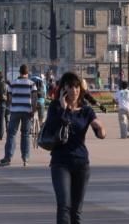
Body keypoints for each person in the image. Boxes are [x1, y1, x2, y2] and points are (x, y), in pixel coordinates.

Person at [45, 71, 106, 224]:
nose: (74, 90)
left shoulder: (86, 110)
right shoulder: (55, 108)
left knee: (76, 212)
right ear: (63, 89)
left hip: (81, 164)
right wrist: (64, 108)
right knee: (64, 206)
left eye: (77, 87)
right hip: (60, 163)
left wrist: (100, 128)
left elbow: (101, 133)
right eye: (70, 87)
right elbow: (53, 127)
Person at [0, 64, 37, 167]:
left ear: (19, 72)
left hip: (15, 111)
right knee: (25, 134)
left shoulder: (12, 83)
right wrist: (33, 110)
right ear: (27, 73)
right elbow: (34, 98)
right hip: (27, 111)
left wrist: (11, 107)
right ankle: (25, 158)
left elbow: (9, 99)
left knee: (11, 134)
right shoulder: (32, 84)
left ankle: (8, 158)